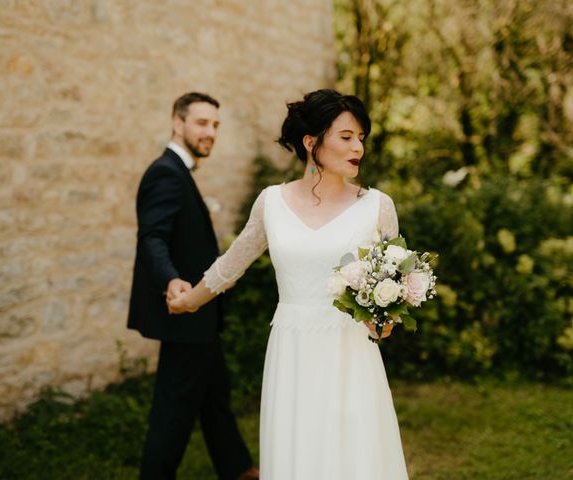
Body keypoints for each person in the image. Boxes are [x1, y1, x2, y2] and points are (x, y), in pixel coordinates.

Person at [169, 89, 409, 479]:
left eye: (361, 138)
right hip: (292, 350)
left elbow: (391, 294)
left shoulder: (377, 206)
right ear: (311, 142)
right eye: (346, 137)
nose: (358, 148)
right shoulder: (271, 203)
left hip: (350, 354)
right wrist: (188, 301)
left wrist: (384, 322)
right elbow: (231, 265)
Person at [127, 92, 258, 480]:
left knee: (215, 395)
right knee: (173, 408)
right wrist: (171, 280)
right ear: (177, 123)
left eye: (215, 125)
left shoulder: (180, 171)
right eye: (202, 123)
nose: (210, 132)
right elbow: (152, 236)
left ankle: (237, 468)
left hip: (203, 312)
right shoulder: (166, 171)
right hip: (186, 311)